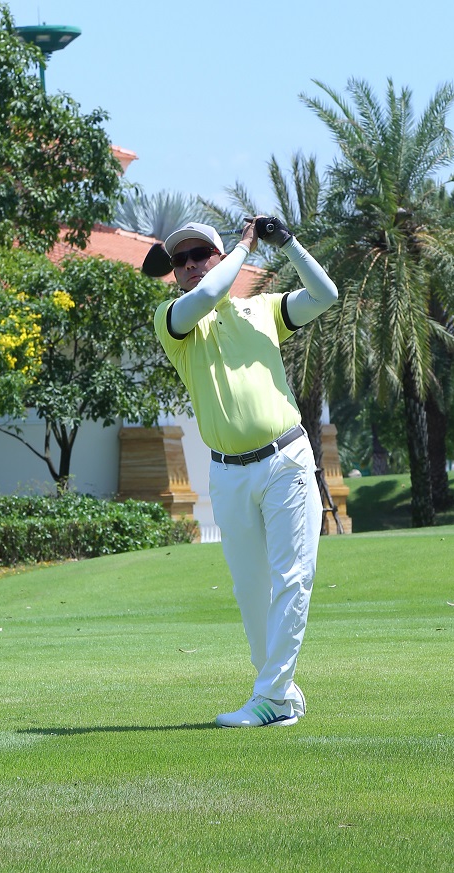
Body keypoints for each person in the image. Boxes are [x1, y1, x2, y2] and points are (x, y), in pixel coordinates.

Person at [154, 215, 338, 727]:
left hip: (286, 460)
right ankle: (280, 691)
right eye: (180, 261)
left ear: (216, 257)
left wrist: (288, 244)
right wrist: (245, 247)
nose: (190, 266)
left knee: (292, 577)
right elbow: (208, 293)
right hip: (228, 473)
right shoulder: (174, 319)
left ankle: (273, 697)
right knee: (250, 588)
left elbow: (325, 294)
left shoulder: (263, 310)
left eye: (199, 256)